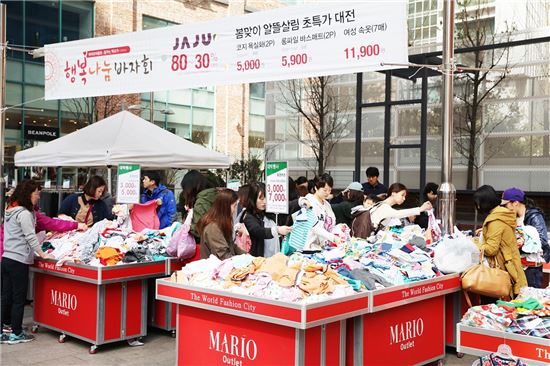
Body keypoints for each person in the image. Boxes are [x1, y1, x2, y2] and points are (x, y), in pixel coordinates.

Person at [1, 181, 55, 344]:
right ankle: (16, 333)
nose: (38, 197)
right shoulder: (24, 213)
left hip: (7, 258)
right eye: (37, 193)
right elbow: (30, 236)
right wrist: (42, 254)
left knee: (6, 296)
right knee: (18, 299)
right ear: (28, 193)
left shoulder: (10, 209)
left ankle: (5, 328)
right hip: (18, 260)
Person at [473, 185, 527, 297]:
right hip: (511, 268)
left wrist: (473, 244)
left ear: (484, 203)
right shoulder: (502, 215)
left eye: (477, 204)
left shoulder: (495, 220)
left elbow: (491, 249)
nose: (477, 207)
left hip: (502, 271)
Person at [501, 187, 549, 288]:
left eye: (506, 205)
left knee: (529, 300)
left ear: (515, 203)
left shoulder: (534, 216)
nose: (505, 208)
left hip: (531, 269)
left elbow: (542, 241)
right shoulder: (514, 217)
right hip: (518, 266)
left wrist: (523, 242)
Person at [243, 183, 292, 257]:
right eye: (261, 198)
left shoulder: (268, 211)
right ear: (253, 199)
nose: (265, 202)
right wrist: (277, 230)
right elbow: (259, 231)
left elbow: (287, 206)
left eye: (266, 198)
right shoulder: (249, 217)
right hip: (260, 260)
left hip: (276, 256)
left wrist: (300, 201)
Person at [197, 189, 246, 260]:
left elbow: (231, 246)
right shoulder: (213, 227)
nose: (235, 210)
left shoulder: (220, 222)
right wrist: (243, 262)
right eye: (234, 206)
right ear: (225, 206)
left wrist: (247, 256)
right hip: (216, 268)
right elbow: (223, 254)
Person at [299, 173, 341, 250]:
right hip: (308, 246)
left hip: (323, 246)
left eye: (329, 190)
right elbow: (315, 227)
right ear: (316, 188)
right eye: (325, 190)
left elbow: (332, 222)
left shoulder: (327, 204)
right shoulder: (309, 201)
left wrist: (339, 228)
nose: (327, 193)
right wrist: (333, 237)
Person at [180, 170, 218, 241]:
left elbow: (198, 230)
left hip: (205, 243)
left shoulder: (202, 202)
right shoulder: (211, 195)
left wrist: (186, 225)